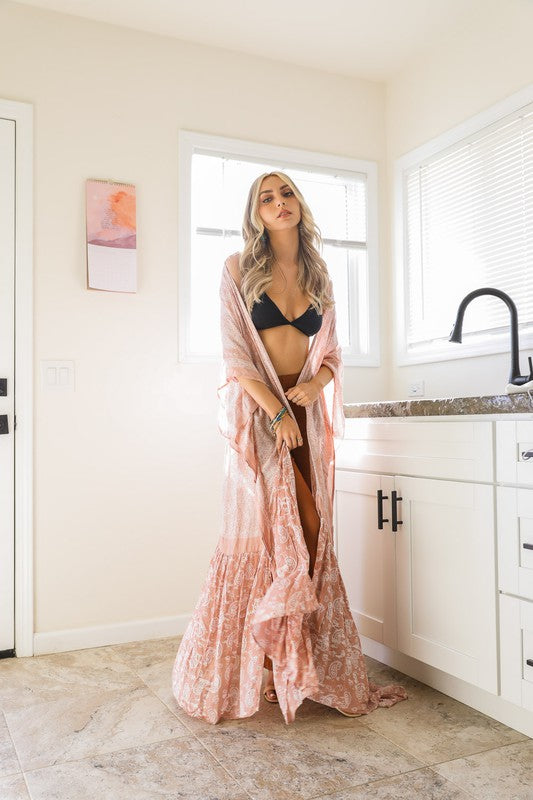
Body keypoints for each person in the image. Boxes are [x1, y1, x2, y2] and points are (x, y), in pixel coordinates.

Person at [172, 171, 408, 725]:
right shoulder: (236, 269)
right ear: (255, 214)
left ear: (299, 204)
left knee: (309, 534)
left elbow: (331, 354)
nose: (280, 204)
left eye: (287, 194)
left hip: (305, 417)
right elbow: (236, 357)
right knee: (283, 532)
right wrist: (277, 410)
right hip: (262, 416)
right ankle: (266, 665)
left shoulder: (319, 272)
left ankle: (290, 666)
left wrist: (313, 389)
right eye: (267, 198)